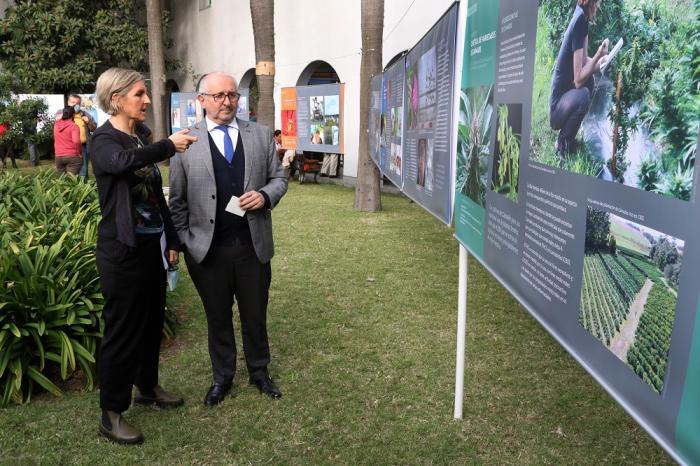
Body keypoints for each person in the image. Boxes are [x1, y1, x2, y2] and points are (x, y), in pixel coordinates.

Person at [90, 67, 197, 445]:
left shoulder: (141, 136)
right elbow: (119, 164)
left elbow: (154, 193)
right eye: (139, 94)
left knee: (152, 322)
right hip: (122, 252)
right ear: (117, 98)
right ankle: (111, 413)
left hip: (152, 248)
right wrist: (168, 145)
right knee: (122, 332)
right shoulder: (103, 140)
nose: (147, 100)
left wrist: (171, 239)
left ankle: (147, 387)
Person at [169, 71, 288, 406]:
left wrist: (265, 196)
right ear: (202, 101)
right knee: (218, 317)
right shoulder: (184, 142)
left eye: (232, 95)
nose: (226, 102)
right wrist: (184, 243)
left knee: (255, 314)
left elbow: (279, 178)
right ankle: (222, 378)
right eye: (218, 95)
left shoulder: (261, 135)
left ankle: (260, 372)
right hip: (208, 251)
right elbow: (176, 200)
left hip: (252, 247)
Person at [549, 0, 608, 166]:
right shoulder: (579, 21)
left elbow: (583, 63)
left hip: (565, 100)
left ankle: (569, 136)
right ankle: (562, 143)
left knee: (590, 81)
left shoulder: (582, 17)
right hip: (557, 109)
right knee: (583, 94)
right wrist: (597, 55)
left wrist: (601, 61)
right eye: (597, 2)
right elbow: (577, 79)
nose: (599, 4)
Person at [67, 94, 97, 180]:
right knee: (70, 172)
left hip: (83, 147)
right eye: (73, 102)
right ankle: (71, 190)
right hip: (69, 147)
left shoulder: (85, 114)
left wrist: (89, 122)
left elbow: (94, 129)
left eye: (78, 103)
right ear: (68, 102)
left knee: (83, 172)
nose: (75, 105)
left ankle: (83, 190)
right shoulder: (62, 113)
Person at [53, 106, 82, 175]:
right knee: (71, 181)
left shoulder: (56, 125)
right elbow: (76, 141)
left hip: (58, 156)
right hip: (72, 156)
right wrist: (78, 153)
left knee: (62, 181)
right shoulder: (73, 126)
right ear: (73, 115)